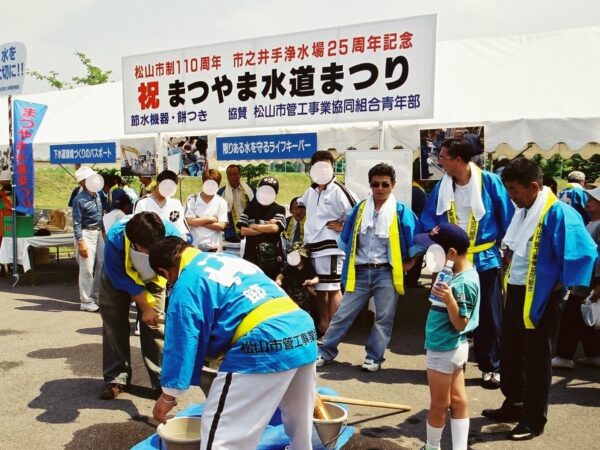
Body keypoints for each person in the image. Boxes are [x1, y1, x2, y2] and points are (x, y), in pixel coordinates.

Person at [149, 237, 318, 450]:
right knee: (300, 422)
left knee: (221, 435)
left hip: (264, 339)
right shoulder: (229, 259)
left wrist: (168, 396)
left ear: (165, 272)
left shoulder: (186, 282)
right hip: (302, 328)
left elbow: (182, 342)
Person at [482, 158, 597, 441]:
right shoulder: (525, 210)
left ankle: (534, 419)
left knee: (536, 359)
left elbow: (585, 253)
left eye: (513, 190)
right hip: (517, 290)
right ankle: (514, 404)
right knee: (510, 352)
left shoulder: (559, 212)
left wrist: (559, 282)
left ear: (533, 186)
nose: (510, 196)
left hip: (543, 295)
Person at [421, 138, 514, 388]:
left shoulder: (491, 182)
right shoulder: (441, 186)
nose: (439, 161)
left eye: (443, 157)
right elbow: (429, 219)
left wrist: (509, 249)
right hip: (451, 260)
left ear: (459, 160)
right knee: (450, 310)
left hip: (484, 258)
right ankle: (454, 361)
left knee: (489, 316)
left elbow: (508, 217)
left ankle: (491, 366)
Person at [317, 163, 420, 372]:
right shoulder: (360, 209)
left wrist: (410, 263)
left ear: (393, 185)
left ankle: (374, 357)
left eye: (385, 184)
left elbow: (415, 241)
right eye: (375, 184)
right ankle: (325, 351)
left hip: (386, 272)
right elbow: (345, 238)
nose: (380, 188)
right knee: (342, 314)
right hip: (360, 271)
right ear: (370, 185)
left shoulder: (401, 211)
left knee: (384, 318)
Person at [99, 212, 180, 400]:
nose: (148, 254)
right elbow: (120, 278)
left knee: (155, 326)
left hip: (155, 278)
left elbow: (178, 271)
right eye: (144, 250)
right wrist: (144, 306)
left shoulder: (172, 236)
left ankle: (161, 381)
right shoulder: (116, 237)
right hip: (117, 277)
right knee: (114, 325)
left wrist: (154, 308)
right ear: (132, 241)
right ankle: (116, 377)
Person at [416, 223, 480, 450]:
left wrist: (450, 299)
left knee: (438, 404)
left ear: (451, 253)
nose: (429, 254)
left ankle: (432, 447)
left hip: (443, 348)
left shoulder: (461, 284)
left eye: (434, 249)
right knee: (458, 400)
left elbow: (460, 322)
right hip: (454, 348)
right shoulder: (460, 273)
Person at [299, 150, 357, 337]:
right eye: (319, 166)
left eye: (327, 166)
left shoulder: (339, 189)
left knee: (332, 288)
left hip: (331, 247)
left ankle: (336, 329)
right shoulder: (310, 191)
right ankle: (325, 325)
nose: (323, 170)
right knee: (319, 287)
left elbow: (357, 212)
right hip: (313, 246)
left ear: (332, 168)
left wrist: (342, 226)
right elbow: (301, 208)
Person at [552, 185, 600, 369]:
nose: (588, 202)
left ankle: (564, 355)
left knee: (571, 317)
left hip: (589, 280)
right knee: (586, 316)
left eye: (594, 200)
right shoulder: (590, 222)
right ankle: (593, 352)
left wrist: (598, 283)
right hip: (586, 279)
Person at [238, 176, 286, 280]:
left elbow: (275, 229)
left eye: (270, 192)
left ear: (275, 194)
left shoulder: (280, 209)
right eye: (263, 191)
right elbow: (243, 230)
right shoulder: (250, 208)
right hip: (251, 258)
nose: (266, 194)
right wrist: (266, 228)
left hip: (272, 260)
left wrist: (255, 226)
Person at [72, 166, 105, 313]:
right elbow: (76, 223)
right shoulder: (79, 200)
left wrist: (103, 232)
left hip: (98, 232)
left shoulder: (98, 195)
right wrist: (81, 242)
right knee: (87, 267)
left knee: (101, 265)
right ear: (83, 183)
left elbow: (101, 215)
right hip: (86, 233)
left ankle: (96, 297)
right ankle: (86, 300)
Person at [134, 169, 189, 239]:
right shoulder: (142, 203)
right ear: (158, 183)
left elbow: (182, 231)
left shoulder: (176, 204)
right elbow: (138, 230)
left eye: (172, 188)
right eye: (166, 186)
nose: (169, 190)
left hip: (173, 245)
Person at [184, 169, 227, 250]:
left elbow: (221, 226)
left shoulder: (222, 202)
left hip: (215, 247)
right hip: (195, 246)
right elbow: (189, 221)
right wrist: (211, 219)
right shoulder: (192, 199)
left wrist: (198, 221)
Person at [276, 242, 319, 312]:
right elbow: (281, 275)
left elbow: (316, 278)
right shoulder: (290, 267)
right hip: (291, 293)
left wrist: (311, 281)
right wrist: (278, 280)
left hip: (304, 295)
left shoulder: (308, 267)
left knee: (305, 310)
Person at [217, 164, 254, 243]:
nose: (232, 177)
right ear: (227, 176)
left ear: (240, 175)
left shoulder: (249, 190)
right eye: (229, 175)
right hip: (231, 233)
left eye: (235, 174)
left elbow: (256, 206)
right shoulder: (221, 193)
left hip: (249, 230)